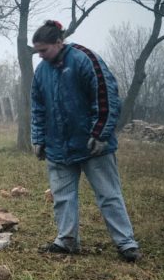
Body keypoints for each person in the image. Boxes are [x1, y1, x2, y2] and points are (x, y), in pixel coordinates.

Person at [30, 20, 141, 262]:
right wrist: (38, 138)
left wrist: (100, 133)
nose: (40, 56)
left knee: (109, 195)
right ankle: (67, 240)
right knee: (62, 197)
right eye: (37, 51)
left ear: (59, 42)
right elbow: (38, 108)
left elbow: (106, 98)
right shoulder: (42, 71)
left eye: (43, 50)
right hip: (59, 147)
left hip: (93, 146)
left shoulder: (85, 60)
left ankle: (126, 243)